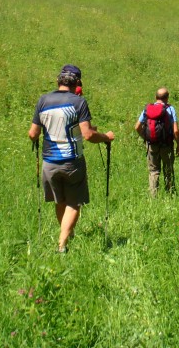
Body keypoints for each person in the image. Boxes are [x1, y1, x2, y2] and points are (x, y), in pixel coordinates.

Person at [28, 64, 114, 253]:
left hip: (49, 162)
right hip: (72, 161)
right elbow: (89, 135)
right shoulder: (78, 102)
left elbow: (33, 134)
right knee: (74, 202)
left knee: (60, 201)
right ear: (77, 83)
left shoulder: (43, 101)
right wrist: (106, 137)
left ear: (58, 81)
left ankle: (67, 234)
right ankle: (62, 244)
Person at [135, 87, 179, 196]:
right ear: (167, 98)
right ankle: (170, 196)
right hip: (167, 145)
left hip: (151, 145)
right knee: (168, 171)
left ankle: (153, 199)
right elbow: (176, 130)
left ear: (156, 97)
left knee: (153, 172)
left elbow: (137, 127)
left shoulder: (148, 109)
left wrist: (146, 137)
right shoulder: (170, 109)